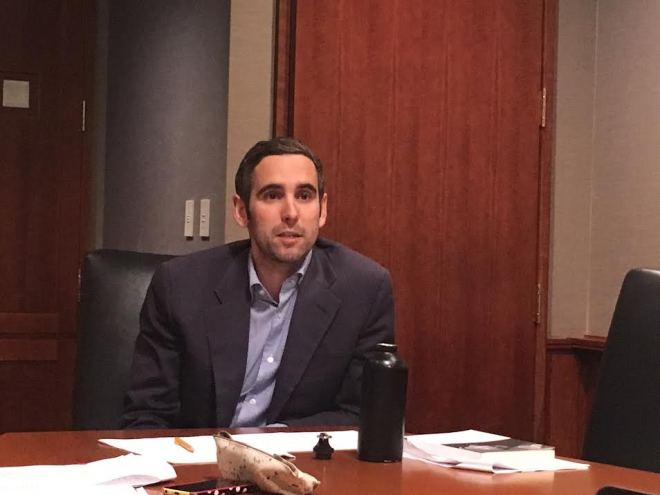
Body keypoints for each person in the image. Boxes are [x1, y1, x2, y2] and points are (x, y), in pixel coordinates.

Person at [122, 137, 394, 428]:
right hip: (200, 454)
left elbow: (362, 415)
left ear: (322, 209)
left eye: (304, 196)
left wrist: (269, 443)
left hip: (300, 456)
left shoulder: (364, 290)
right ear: (241, 211)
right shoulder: (180, 285)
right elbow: (147, 415)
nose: (291, 213)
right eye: (273, 195)